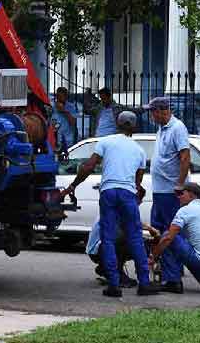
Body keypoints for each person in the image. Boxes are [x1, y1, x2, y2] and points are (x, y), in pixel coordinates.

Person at [61, 111, 160, 297]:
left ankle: (114, 285)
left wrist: (72, 186)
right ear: (134, 127)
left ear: (117, 123)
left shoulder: (105, 142)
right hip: (128, 194)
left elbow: (88, 167)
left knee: (107, 238)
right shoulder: (139, 151)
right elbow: (137, 183)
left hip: (108, 192)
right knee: (135, 238)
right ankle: (144, 284)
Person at [143, 96, 190, 294]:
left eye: (152, 112)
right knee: (159, 232)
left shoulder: (177, 128)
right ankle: (171, 272)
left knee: (169, 234)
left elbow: (185, 156)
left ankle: (173, 278)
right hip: (161, 190)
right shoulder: (162, 128)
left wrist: (179, 184)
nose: (151, 115)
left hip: (171, 191)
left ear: (162, 111)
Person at [149, 182, 200, 293]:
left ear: (191, 195)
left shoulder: (185, 210)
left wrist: (153, 257)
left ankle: (172, 281)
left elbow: (168, 238)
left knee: (168, 236)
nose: (178, 197)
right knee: (178, 238)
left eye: (181, 194)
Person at [87, 214, 161, 288]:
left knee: (138, 242)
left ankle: (105, 268)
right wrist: (151, 229)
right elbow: (133, 224)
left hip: (99, 248)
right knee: (129, 242)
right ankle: (117, 274)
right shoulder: (121, 207)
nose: (141, 202)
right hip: (99, 249)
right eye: (139, 201)